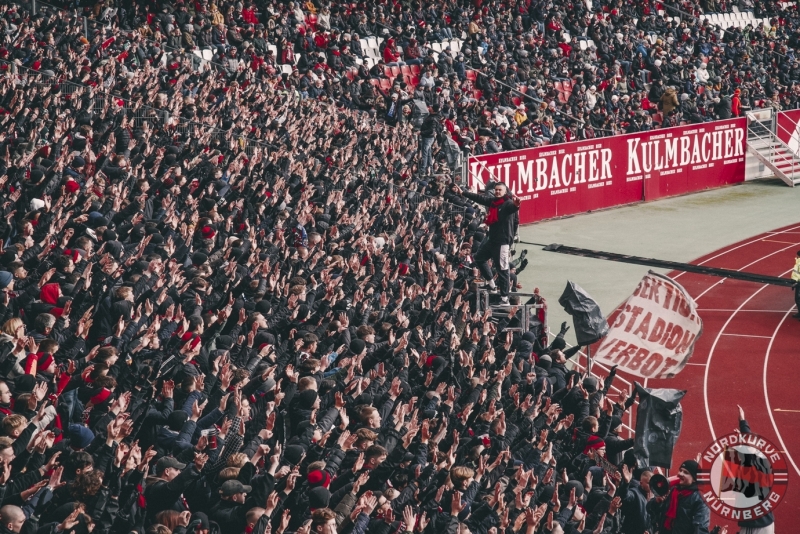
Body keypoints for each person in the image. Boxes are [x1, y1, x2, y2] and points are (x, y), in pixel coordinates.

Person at [450, 182, 520, 304]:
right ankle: (492, 285)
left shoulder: (508, 204)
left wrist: (516, 206)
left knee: (503, 270)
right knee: (479, 258)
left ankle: (505, 298)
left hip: (502, 242)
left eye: (500, 190)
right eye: (496, 190)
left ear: (505, 192)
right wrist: (464, 193)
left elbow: (512, 208)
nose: (497, 192)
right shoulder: (494, 202)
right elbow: (480, 198)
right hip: (492, 240)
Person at [792, 250, 800, 319]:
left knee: (798, 299)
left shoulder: (799, 263)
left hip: (799, 283)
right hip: (797, 282)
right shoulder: (798, 262)